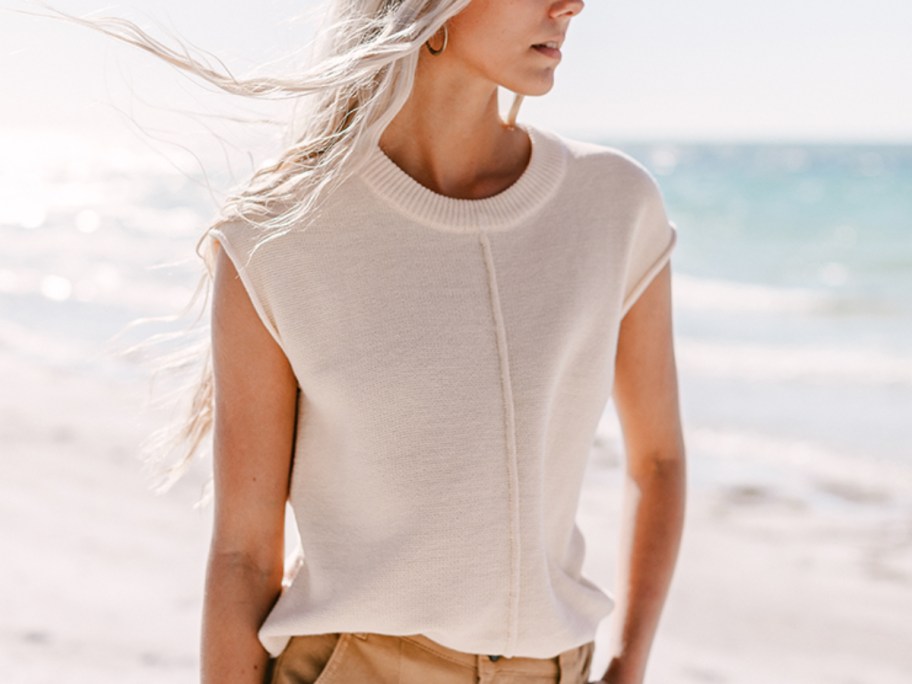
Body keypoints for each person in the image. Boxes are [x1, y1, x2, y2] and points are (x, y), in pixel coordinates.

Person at [32, 1, 686, 682]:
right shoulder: (282, 232)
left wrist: (629, 661)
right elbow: (245, 554)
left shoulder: (613, 204)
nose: (571, 4)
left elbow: (659, 459)